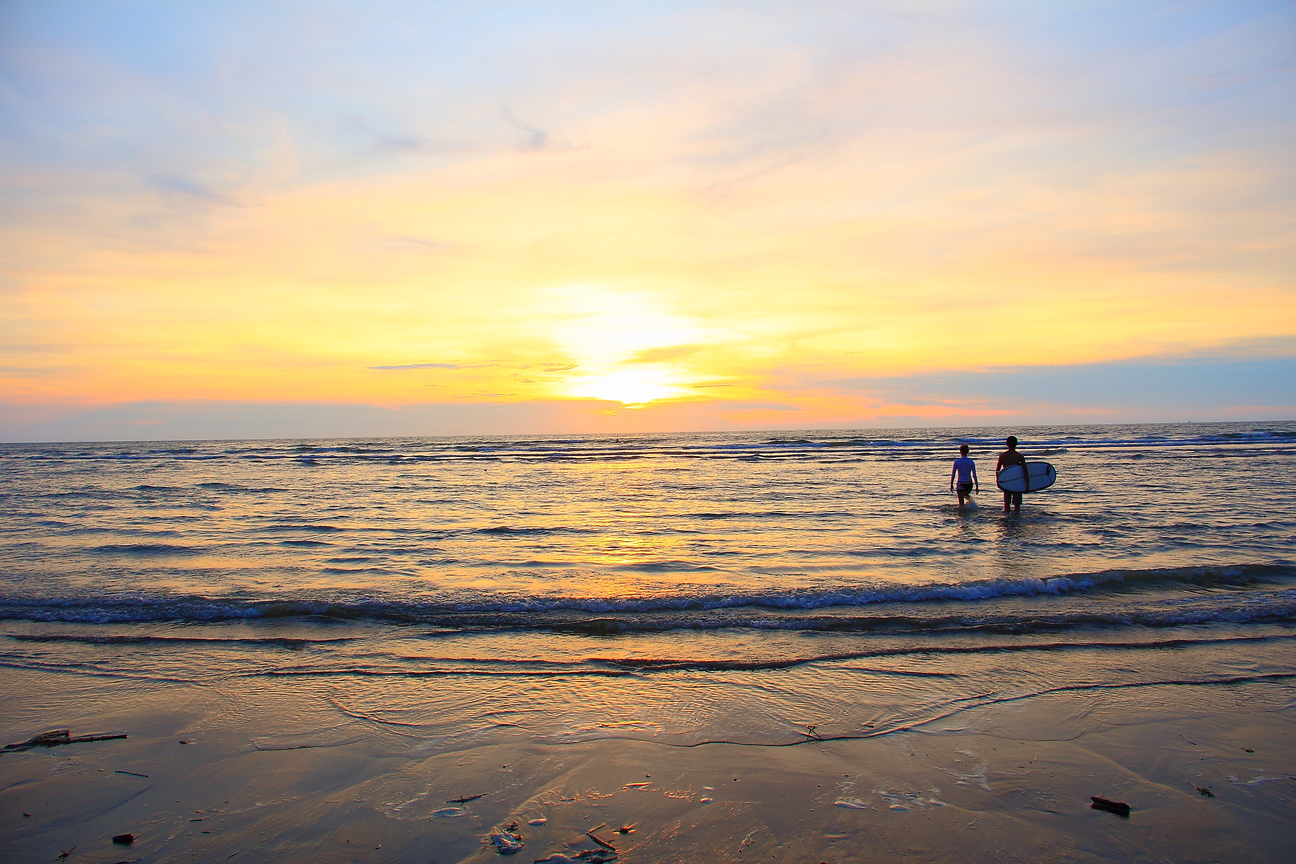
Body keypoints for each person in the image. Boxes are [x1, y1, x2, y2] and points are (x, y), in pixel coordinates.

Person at [996, 435, 1028, 514]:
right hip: (1017, 481)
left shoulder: (1002, 456)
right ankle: (1016, 520)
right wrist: (1027, 484)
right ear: (1016, 444)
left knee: (1006, 503)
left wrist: (998, 481)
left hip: (1006, 481)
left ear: (1007, 444)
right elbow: (1025, 471)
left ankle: (1007, 518)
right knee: (1017, 505)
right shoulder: (1019, 456)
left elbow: (997, 470)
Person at [949, 444, 978, 509]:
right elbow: (974, 475)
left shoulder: (957, 462)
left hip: (961, 483)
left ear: (960, 451)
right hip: (969, 484)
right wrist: (977, 486)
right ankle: (972, 505)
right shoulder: (971, 462)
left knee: (961, 504)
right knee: (966, 495)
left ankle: (963, 516)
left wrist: (951, 484)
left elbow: (953, 474)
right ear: (968, 451)